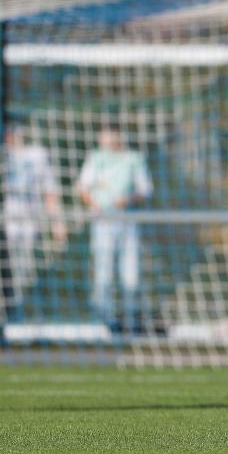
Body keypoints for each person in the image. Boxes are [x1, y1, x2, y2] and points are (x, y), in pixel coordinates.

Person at [76, 122, 153, 333]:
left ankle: (130, 319)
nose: (105, 139)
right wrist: (96, 205)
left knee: (131, 273)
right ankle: (104, 320)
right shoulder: (96, 158)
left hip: (126, 221)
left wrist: (127, 199)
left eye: (108, 134)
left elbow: (145, 190)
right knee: (104, 272)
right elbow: (82, 187)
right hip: (103, 221)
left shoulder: (133, 159)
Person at [1, 121, 67, 322]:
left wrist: (57, 222)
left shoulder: (37, 155)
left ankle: (16, 317)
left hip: (28, 221)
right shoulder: (4, 155)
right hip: (6, 220)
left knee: (21, 270)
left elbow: (50, 191)